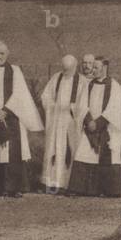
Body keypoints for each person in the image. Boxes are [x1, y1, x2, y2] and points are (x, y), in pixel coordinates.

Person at [0, 41, 44, 197]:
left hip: (11, 116)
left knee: (12, 152)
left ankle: (13, 187)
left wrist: (5, 110)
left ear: (8, 54)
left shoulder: (15, 70)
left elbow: (19, 93)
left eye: (2, 54)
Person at [68, 57, 121, 197]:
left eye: (96, 67)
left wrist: (98, 123)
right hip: (89, 128)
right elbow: (82, 105)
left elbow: (115, 108)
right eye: (93, 67)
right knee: (83, 153)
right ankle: (81, 189)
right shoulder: (89, 85)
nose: (93, 70)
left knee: (109, 156)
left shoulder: (114, 85)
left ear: (104, 68)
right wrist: (88, 121)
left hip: (107, 128)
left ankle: (108, 190)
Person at [40, 54, 84, 192]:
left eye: (69, 69)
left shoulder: (82, 81)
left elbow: (84, 103)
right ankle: (52, 183)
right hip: (56, 120)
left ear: (75, 67)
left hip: (71, 122)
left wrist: (73, 108)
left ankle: (68, 184)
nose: (66, 72)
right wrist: (53, 106)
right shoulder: (56, 78)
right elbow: (45, 96)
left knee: (69, 150)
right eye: (64, 69)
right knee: (53, 150)